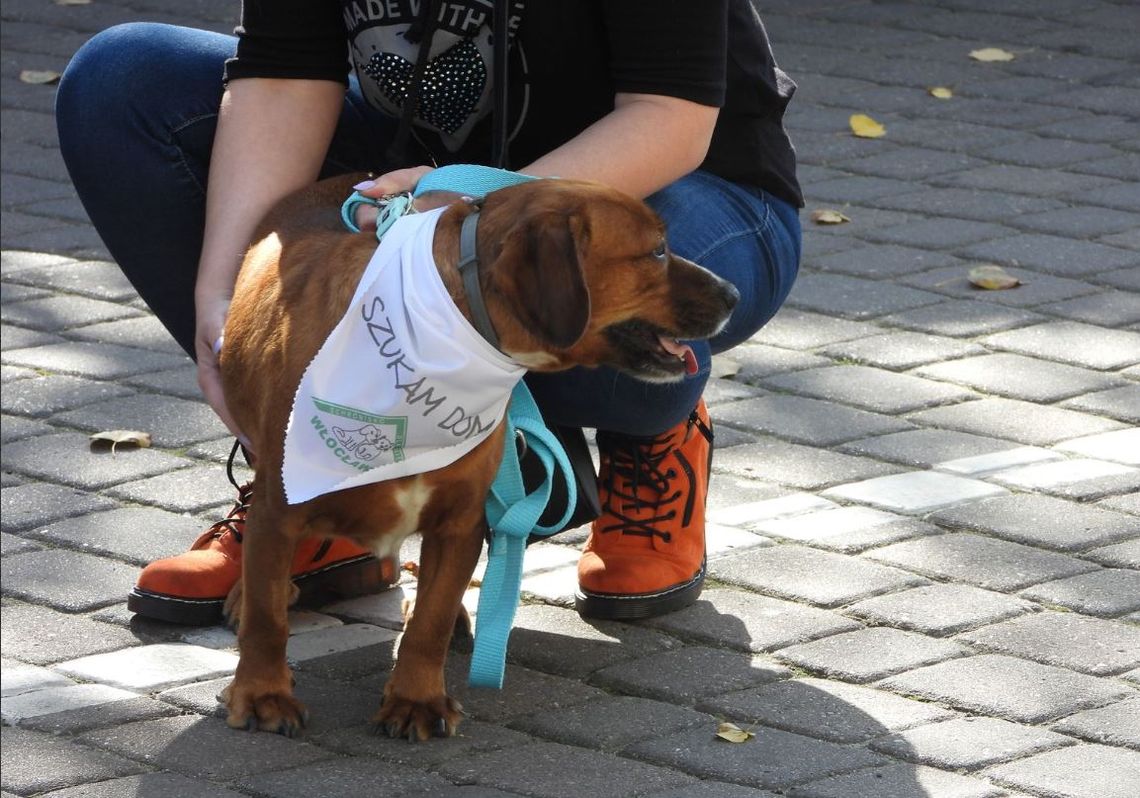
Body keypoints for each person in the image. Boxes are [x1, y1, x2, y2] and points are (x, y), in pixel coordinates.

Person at [55, 0, 802, 625]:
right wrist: (224, 300)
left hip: (680, 188)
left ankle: (652, 435)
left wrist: (479, 208)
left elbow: (668, 118)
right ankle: (325, 486)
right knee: (125, 80)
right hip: (428, 179)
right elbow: (283, 80)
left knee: (597, 293)